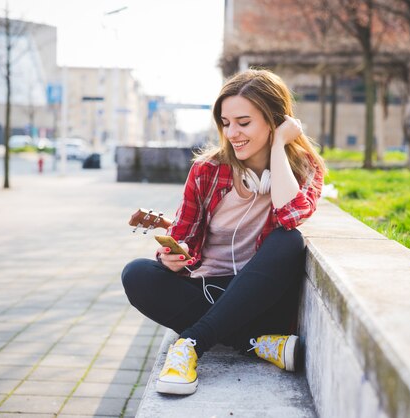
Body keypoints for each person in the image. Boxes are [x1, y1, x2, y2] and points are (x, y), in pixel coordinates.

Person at [121, 69, 326, 396]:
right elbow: (183, 236)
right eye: (226, 123)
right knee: (136, 273)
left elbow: (290, 216)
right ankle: (255, 344)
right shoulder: (207, 169)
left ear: (275, 121)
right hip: (206, 289)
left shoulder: (303, 168)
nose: (233, 133)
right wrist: (171, 258)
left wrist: (279, 148)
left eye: (244, 123)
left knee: (288, 240)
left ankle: (190, 345)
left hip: (261, 299)